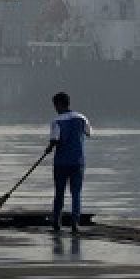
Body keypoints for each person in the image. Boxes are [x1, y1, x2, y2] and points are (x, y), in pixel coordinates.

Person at [44, 91, 92, 234]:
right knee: (76, 193)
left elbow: (54, 140)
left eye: (55, 105)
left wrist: (48, 149)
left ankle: (56, 223)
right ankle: (74, 224)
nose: (55, 109)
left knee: (59, 193)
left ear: (59, 104)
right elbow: (88, 133)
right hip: (78, 162)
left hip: (61, 163)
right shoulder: (82, 118)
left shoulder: (56, 121)